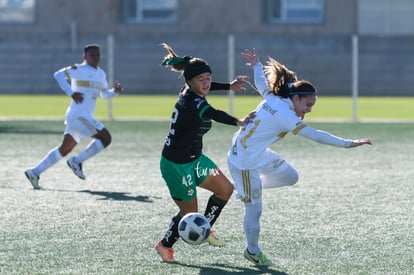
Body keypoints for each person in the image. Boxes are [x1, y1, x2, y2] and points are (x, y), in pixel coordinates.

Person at [227, 48, 372, 266]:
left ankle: (243, 189)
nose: (309, 110)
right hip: (244, 162)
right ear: (295, 98)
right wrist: (348, 144)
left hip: (255, 153)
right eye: (308, 104)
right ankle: (252, 251)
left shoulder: (275, 97)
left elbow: (261, 84)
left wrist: (257, 65)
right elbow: (315, 135)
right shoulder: (286, 114)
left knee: (291, 176)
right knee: (255, 208)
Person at [155, 43, 255, 263]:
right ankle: (164, 245)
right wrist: (237, 121)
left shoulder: (191, 89)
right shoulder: (191, 101)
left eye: (208, 78)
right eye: (202, 80)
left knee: (225, 189)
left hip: (195, 159)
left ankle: (205, 228)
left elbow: (208, 86)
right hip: (176, 164)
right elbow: (213, 113)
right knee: (189, 214)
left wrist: (229, 85)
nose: (207, 83)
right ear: (189, 81)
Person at [24, 44, 123, 189]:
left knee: (64, 149)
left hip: (81, 117)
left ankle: (34, 172)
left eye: (98, 55)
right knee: (106, 138)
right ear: (85, 57)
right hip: (78, 115)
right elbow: (58, 75)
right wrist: (71, 92)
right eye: (92, 55)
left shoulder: (101, 73)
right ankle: (76, 161)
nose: (96, 58)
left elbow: (103, 95)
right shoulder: (79, 69)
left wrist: (114, 91)